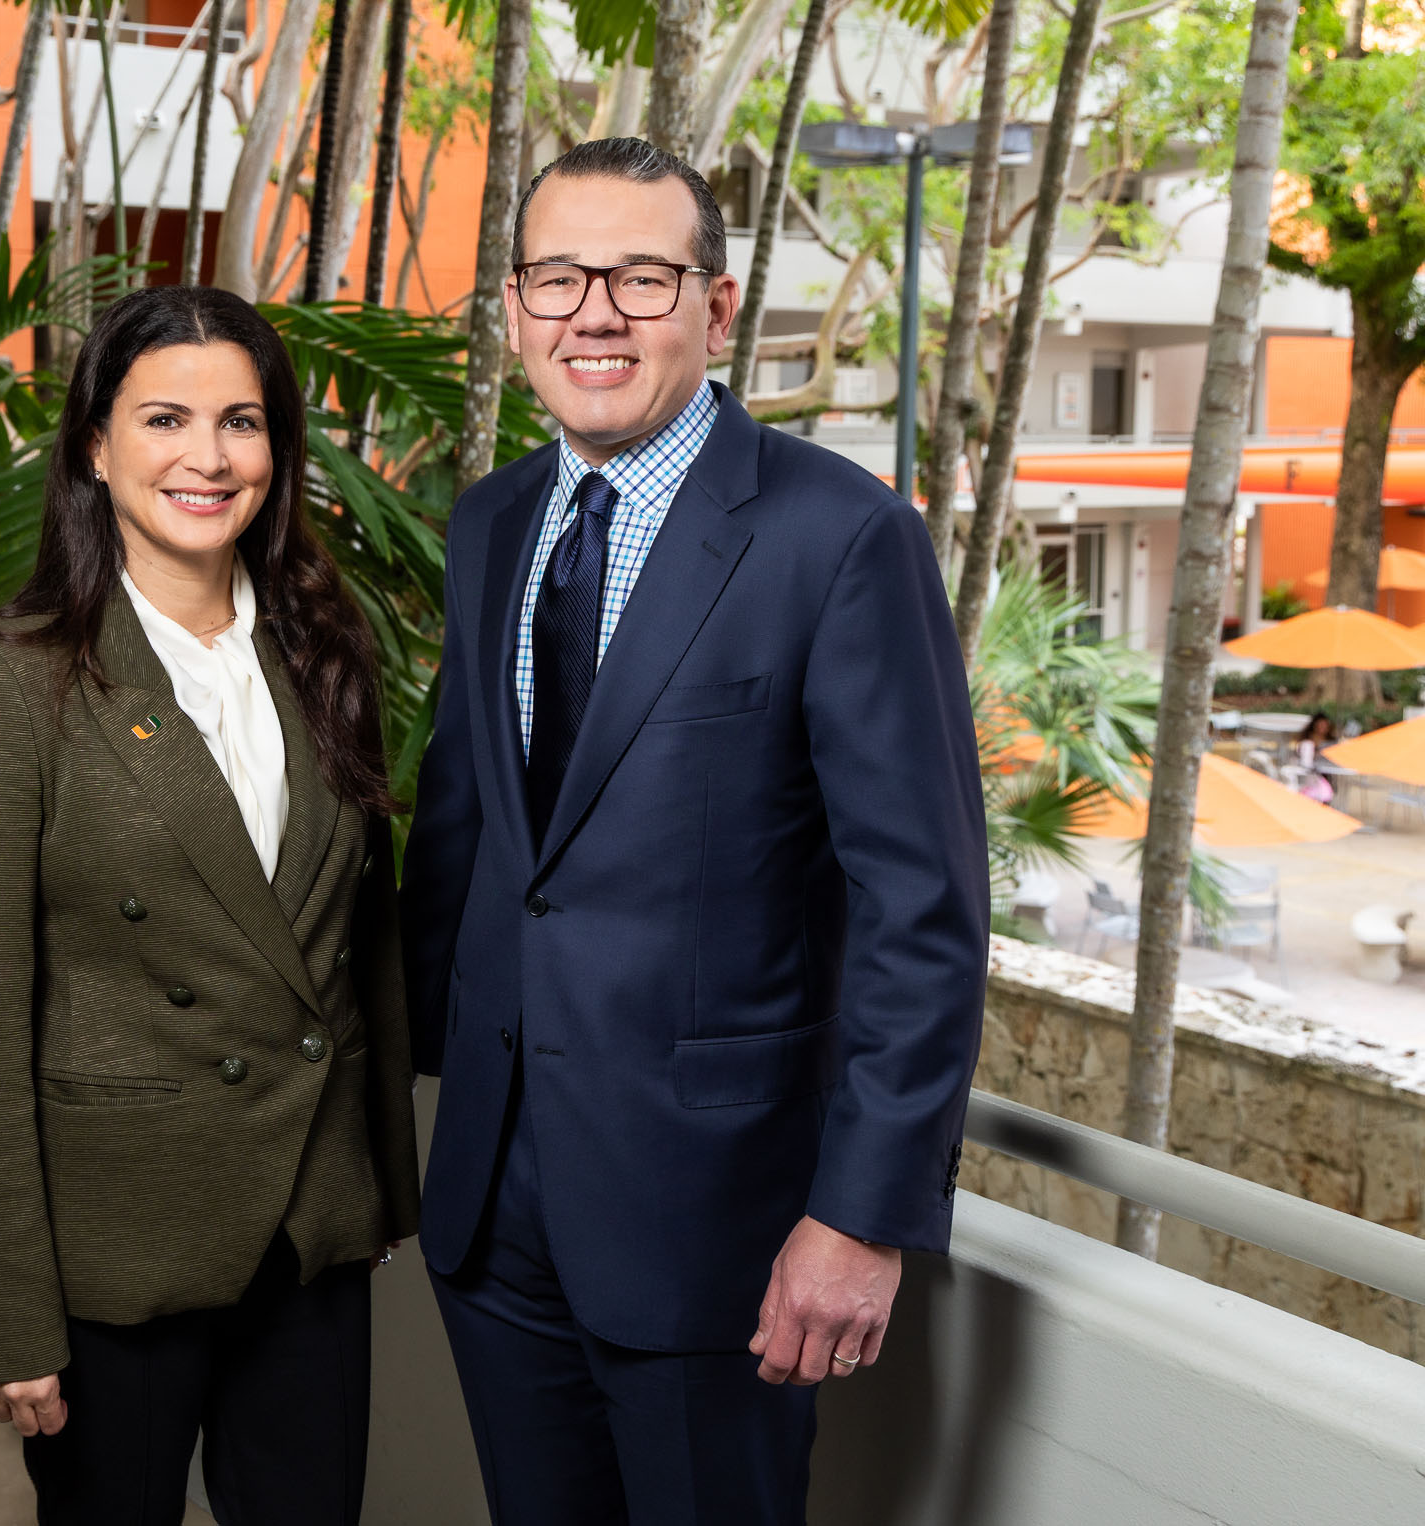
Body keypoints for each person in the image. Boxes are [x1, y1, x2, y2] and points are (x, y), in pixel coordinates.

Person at [399, 137, 990, 1525]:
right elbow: (473, 835)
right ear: (514, 306)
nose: (593, 312)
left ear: (716, 311)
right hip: (493, 1202)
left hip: (714, 1225)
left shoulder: (841, 539)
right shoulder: (490, 524)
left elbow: (923, 911)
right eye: (557, 276)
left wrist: (861, 1218)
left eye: (641, 276)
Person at [0, 285, 420, 1526]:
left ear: (276, 449)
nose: (207, 456)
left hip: (307, 1229)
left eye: (241, 421)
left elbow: (360, 941)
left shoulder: (323, 649)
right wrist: (4, 1309)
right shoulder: (3, 681)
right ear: (94, 443)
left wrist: (381, 1186)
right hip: (115, 1247)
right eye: (165, 418)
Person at [1296, 712, 1337, 802]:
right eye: (1321, 725)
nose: (1323, 728)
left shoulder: (1331, 740)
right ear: (1315, 726)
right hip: (1311, 772)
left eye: (1325, 725)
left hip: (1327, 770)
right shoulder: (1307, 741)